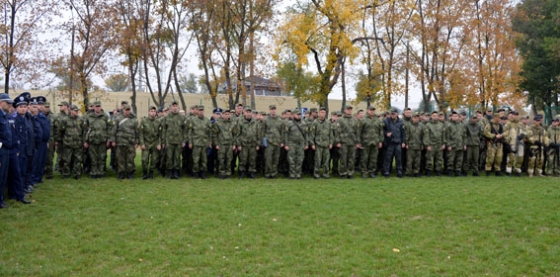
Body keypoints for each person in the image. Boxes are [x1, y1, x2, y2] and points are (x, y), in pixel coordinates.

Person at [83, 101, 110, 179]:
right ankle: (94, 172)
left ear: (101, 107)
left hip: (102, 140)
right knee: (93, 157)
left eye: (99, 106)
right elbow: (85, 130)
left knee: (102, 157)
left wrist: (109, 140)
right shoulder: (89, 117)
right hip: (92, 140)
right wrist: (85, 141)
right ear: (93, 107)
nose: (98, 108)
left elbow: (110, 128)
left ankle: (101, 172)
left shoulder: (105, 116)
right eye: (96, 106)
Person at [111, 104, 138, 180]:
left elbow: (136, 132)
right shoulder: (118, 118)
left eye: (129, 110)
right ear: (123, 110)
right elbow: (113, 130)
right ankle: (121, 173)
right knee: (120, 159)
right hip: (120, 142)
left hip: (130, 142)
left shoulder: (134, 119)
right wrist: (113, 140)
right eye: (126, 110)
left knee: (130, 158)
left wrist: (137, 141)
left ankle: (129, 173)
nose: (127, 111)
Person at [57, 104, 85, 179]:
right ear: (71, 111)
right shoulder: (65, 120)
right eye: (75, 111)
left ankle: (77, 173)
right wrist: (62, 140)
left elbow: (83, 131)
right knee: (66, 160)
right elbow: (60, 131)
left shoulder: (80, 120)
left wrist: (83, 141)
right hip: (68, 143)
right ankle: (66, 173)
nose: (77, 112)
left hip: (78, 143)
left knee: (78, 159)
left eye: (77, 111)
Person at [162, 101, 188, 179]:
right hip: (169, 141)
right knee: (169, 157)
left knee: (177, 157)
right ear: (171, 107)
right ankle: (170, 172)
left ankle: (176, 172)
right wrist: (163, 141)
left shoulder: (182, 117)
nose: (175, 107)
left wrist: (184, 140)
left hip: (179, 140)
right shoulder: (166, 117)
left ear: (178, 107)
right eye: (173, 106)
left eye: (176, 106)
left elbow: (185, 130)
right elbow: (164, 130)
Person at [235, 107, 261, 179]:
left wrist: (258, 144)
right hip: (244, 144)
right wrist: (238, 144)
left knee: (252, 159)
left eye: (250, 112)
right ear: (244, 112)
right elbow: (237, 134)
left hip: (253, 144)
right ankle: (241, 172)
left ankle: (251, 172)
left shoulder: (255, 122)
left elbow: (258, 134)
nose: (248, 113)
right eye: (247, 112)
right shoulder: (240, 121)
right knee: (243, 159)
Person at [359, 106, 384, 178]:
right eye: (371, 110)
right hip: (366, 141)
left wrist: (380, 141)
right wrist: (359, 141)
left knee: (373, 158)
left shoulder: (378, 120)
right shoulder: (363, 120)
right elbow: (359, 131)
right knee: (364, 158)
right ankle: (363, 172)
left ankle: (371, 171)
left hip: (375, 142)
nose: (372, 111)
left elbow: (381, 131)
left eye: (373, 110)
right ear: (367, 110)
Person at [335, 106, 360, 178]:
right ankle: (343, 173)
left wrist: (358, 142)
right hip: (343, 142)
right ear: (345, 110)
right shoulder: (341, 120)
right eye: (348, 109)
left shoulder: (355, 120)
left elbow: (357, 132)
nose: (349, 111)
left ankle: (350, 173)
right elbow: (337, 132)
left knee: (352, 159)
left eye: (350, 110)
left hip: (352, 142)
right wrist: (338, 142)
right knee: (343, 158)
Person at [188, 105, 212, 179]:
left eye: (202, 110)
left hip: (204, 143)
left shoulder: (207, 120)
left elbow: (210, 132)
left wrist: (210, 142)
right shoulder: (193, 120)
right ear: (197, 111)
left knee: (204, 159)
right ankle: (196, 173)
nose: (201, 112)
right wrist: (190, 142)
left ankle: (203, 173)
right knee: (196, 159)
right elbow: (190, 132)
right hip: (196, 142)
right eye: (200, 110)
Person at [283, 108, 308, 179]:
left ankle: (298, 173)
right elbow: (286, 135)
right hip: (292, 144)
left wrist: (306, 144)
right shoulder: (289, 123)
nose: (299, 116)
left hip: (301, 144)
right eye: (297, 114)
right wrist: (286, 144)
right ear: (293, 115)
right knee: (291, 160)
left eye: (300, 114)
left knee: (300, 159)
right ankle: (292, 174)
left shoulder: (304, 123)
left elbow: (306, 135)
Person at [310, 107, 333, 179]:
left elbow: (331, 134)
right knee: (318, 160)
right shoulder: (315, 122)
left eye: (324, 112)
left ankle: (326, 174)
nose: (323, 114)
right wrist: (312, 144)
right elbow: (312, 134)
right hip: (318, 144)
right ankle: (316, 174)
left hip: (326, 144)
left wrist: (331, 143)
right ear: (319, 113)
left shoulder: (328, 123)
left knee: (326, 160)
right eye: (321, 112)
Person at [213, 109, 236, 179]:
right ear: (222, 115)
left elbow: (235, 134)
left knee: (229, 159)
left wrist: (234, 144)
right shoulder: (218, 123)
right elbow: (215, 134)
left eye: (228, 114)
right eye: (225, 114)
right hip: (221, 144)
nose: (226, 115)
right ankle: (221, 173)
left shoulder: (233, 123)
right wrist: (216, 144)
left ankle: (228, 173)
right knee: (221, 159)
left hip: (229, 144)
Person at [139, 106, 161, 179]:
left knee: (154, 160)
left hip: (155, 143)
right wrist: (142, 143)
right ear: (149, 112)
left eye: (154, 111)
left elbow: (160, 134)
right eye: (151, 111)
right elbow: (141, 133)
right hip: (146, 143)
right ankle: (145, 173)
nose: (153, 113)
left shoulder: (158, 122)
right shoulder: (144, 121)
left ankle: (151, 173)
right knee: (144, 159)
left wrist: (159, 143)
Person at [382, 109, 405, 178]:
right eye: (391, 114)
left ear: (397, 114)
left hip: (398, 143)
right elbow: (382, 130)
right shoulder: (386, 121)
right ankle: (386, 171)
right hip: (390, 143)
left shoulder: (401, 122)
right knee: (388, 158)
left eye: (394, 114)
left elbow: (403, 133)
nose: (393, 115)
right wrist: (386, 134)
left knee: (398, 159)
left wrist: (403, 142)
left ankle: (399, 171)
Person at [0, 93, 14, 208]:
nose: (10, 105)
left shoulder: (4, 115)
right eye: (8, 103)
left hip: (6, 149)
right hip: (1, 150)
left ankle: (1, 199)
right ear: (1, 102)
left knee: (3, 176)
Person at [262, 105, 284, 179]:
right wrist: (263, 142)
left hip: (277, 142)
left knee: (276, 159)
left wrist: (282, 141)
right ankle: (268, 173)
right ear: (269, 110)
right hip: (269, 142)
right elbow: (263, 131)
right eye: (271, 109)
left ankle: (274, 173)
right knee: (268, 158)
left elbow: (282, 132)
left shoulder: (280, 120)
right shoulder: (266, 120)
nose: (273, 111)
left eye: (274, 109)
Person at [502, 111, 526, 176]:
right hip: (512, 142)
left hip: (520, 143)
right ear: (512, 115)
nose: (516, 116)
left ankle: (517, 169)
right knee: (511, 157)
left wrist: (523, 135)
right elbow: (504, 133)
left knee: (520, 157)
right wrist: (507, 142)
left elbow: (525, 131)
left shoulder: (521, 124)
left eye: (517, 115)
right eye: (514, 115)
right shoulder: (508, 123)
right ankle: (508, 170)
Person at [423, 111, 445, 176]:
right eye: (433, 116)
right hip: (431, 144)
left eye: (436, 116)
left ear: (438, 117)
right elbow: (426, 136)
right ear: (431, 117)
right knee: (429, 158)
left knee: (439, 159)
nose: (435, 117)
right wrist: (427, 145)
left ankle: (438, 170)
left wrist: (444, 143)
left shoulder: (441, 124)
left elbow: (443, 135)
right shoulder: (428, 125)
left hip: (439, 144)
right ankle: (428, 171)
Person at [445, 111, 466, 177]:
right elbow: (447, 136)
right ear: (451, 117)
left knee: (459, 159)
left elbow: (464, 135)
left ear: (458, 117)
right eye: (453, 116)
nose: (455, 117)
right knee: (450, 159)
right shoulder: (448, 125)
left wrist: (464, 144)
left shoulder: (461, 125)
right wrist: (448, 145)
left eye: (456, 116)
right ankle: (450, 172)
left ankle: (457, 172)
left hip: (460, 145)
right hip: (452, 145)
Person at [404, 112, 424, 177]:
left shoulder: (421, 126)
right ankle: (408, 172)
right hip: (410, 145)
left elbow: (422, 136)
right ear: (412, 118)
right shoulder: (409, 126)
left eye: (417, 118)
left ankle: (416, 172)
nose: (416, 119)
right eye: (415, 118)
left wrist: (422, 144)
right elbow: (407, 135)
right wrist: (406, 143)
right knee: (409, 160)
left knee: (417, 160)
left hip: (418, 145)